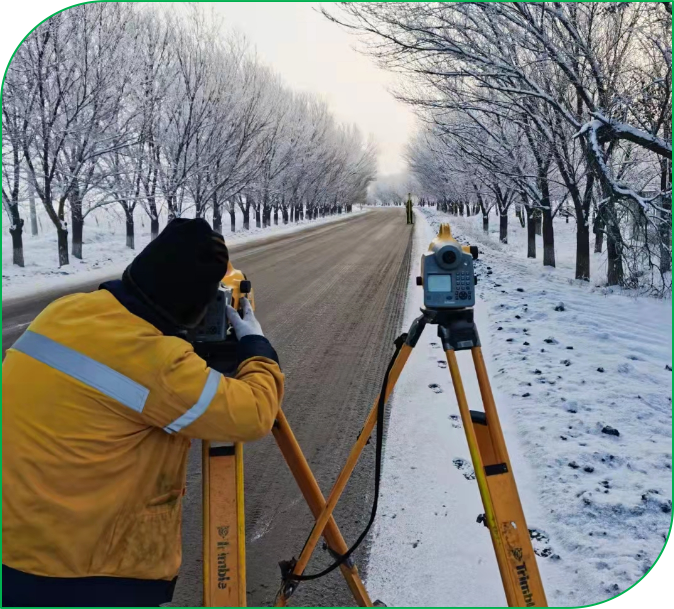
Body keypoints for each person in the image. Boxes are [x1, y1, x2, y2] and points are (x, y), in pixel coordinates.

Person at [2, 218, 284, 607]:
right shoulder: (158, 362)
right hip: (85, 578)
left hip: (12, 552)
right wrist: (257, 346)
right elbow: (253, 413)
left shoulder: (63, 312)